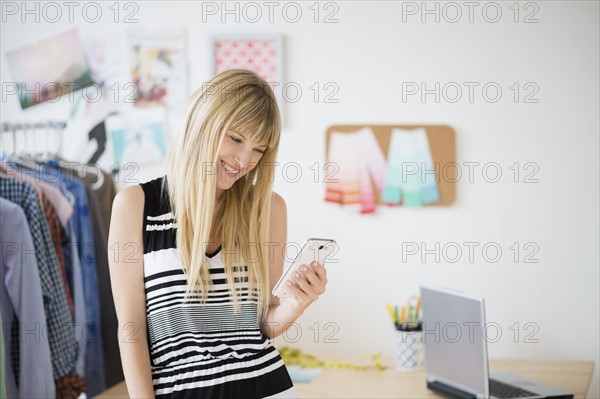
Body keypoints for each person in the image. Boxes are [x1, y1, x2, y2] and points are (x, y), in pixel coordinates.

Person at [107, 69, 328, 399]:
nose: (243, 160)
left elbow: (264, 327)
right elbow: (132, 330)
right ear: (203, 122)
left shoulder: (268, 210)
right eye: (237, 139)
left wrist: (296, 304)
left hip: (268, 387)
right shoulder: (135, 206)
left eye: (258, 149)